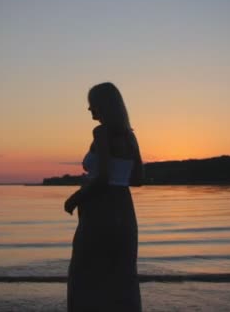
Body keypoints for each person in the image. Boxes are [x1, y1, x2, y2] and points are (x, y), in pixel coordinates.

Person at [64, 82, 144, 312]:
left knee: (86, 273)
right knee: (122, 273)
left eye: (92, 106)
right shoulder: (131, 137)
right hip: (125, 209)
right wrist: (118, 178)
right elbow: (138, 178)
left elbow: (104, 177)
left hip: (99, 208)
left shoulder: (101, 132)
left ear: (102, 105)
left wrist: (76, 197)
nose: (90, 111)